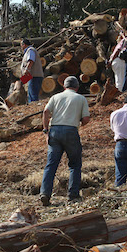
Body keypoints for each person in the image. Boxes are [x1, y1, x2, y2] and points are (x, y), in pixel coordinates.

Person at [40, 76, 90, 206]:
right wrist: (79, 121)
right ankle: (73, 195)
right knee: (74, 164)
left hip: (55, 131)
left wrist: (45, 130)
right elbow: (86, 119)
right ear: (77, 87)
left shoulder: (56, 97)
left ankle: (45, 193)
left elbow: (46, 111)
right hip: (71, 131)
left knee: (51, 165)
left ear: (64, 86)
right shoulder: (81, 98)